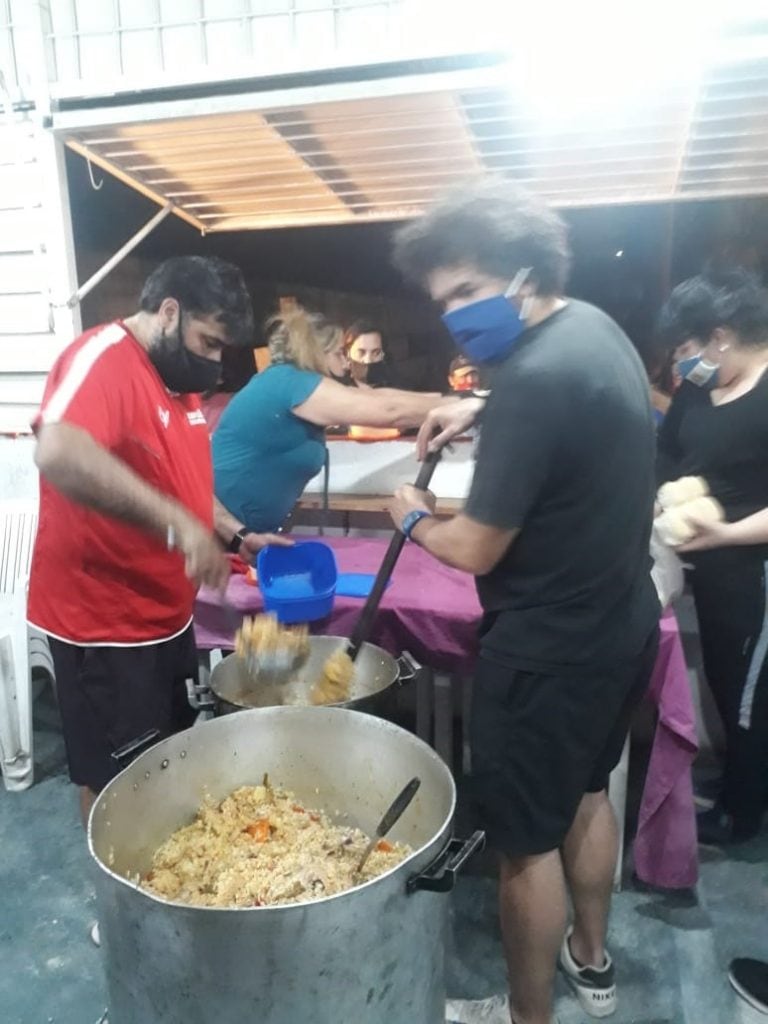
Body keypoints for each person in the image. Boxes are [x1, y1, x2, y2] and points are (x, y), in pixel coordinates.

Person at [388, 179, 660, 1024]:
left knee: (523, 843)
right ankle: (592, 962)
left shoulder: (535, 383)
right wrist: (481, 407)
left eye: (467, 291)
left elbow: (472, 547)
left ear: (524, 269)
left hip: (546, 650)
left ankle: (525, 1016)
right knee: (587, 795)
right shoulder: (593, 330)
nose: (455, 315)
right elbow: (568, 422)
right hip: (621, 621)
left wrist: (411, 516)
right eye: (444, 301)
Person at [27, 257, 290, 834]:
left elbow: (184, 488)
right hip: (104, 623)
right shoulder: (103, 357)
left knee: (160, 760)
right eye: (209, 342)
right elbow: (59, 452)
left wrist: (233, 533)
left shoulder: (178, 383)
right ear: (169, 311)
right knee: (114, 779)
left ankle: (156, 890)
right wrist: (176, 524)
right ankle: (120, 917)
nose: (215, 362)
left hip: (166, 617)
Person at [656, 268, 768, 845]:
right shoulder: (699, 392)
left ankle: (741, 815)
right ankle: (735, 788)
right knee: (722, 684)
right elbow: (666, 459)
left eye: (686, 347)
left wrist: (723, 536)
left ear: (721, 335)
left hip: (756, 573)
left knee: (748, 693)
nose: (681, 363)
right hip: (707, 570)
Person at [213, 309, 445, 533]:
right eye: (338, 354)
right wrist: (457, 406)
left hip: (247, 531)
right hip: (222, 531)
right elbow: (388, 410)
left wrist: (450, 401)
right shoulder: (290, 383)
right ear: (315, 352)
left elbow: (376, 397)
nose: (345, 364)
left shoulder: (283, 380)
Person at [342, 319, 396, 388]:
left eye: (376, 353)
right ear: (347, 353)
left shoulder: (398, 389)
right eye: (361, 353)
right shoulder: (337, 390)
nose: (368, 360)